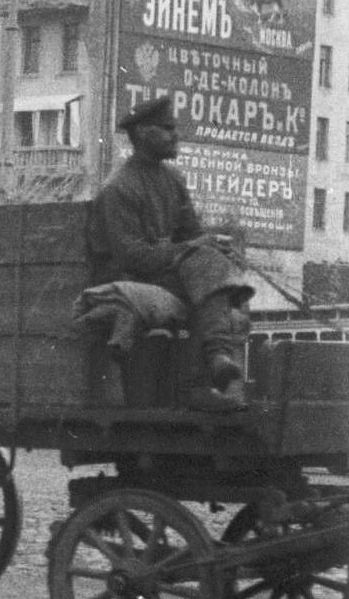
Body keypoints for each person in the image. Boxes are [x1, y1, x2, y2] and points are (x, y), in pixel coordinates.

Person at [87, 95, 253, 406]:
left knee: (213, 271)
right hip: (127, 278)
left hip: (162, 274)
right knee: (206, 283)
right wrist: (192, 248)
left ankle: (215, 368)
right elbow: (131, 256)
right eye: (167, 128)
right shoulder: (118, 188)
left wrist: (213, 247)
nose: (175, 135)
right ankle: (206, 374)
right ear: (141, 134)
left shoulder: (172, 179)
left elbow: (191, 234)